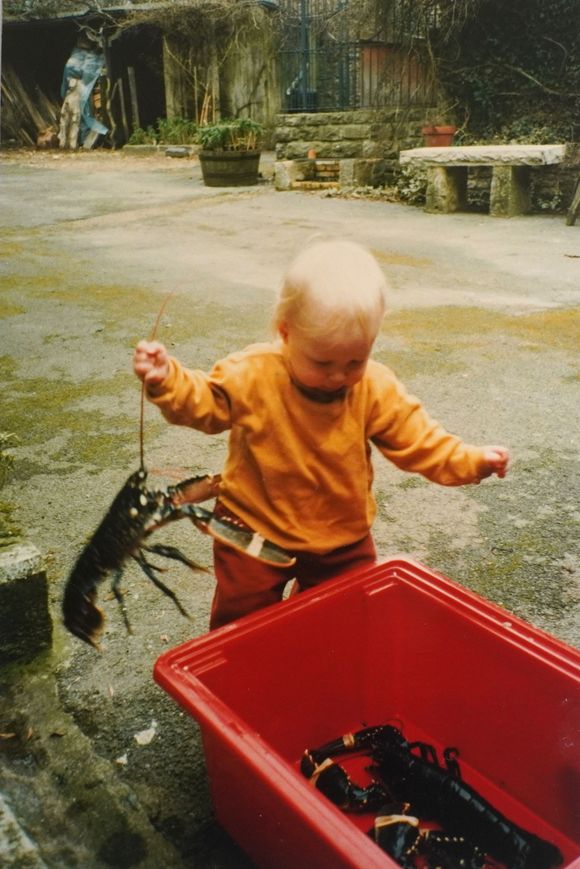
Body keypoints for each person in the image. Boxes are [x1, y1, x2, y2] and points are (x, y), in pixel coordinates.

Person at [133, 238, 509, 629]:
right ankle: (242, 674)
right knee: (240, 619)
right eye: (323, 361)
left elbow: (419, 439)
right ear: (286, 332)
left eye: (354, 361)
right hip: (252, 529)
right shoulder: (253, 373)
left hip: (341, 536)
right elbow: (204, 404)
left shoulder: (373, 388)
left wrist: (471, 460)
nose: (337, 376)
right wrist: (168, 382)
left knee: (348, 614)